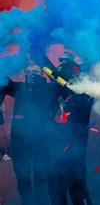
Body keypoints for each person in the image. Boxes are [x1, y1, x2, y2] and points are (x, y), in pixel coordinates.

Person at [0, 63, 55, 205]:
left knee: (41, 177)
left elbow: (58, 80)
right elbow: (3, 81)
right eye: (28, 70)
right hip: (19, 142)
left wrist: (44, 62)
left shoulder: (48, 88)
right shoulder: (19, 87)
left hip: (41, 141)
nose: (31, 73)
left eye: (35, 71)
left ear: (42, 73)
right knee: (22, 178)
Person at [46, 51, 94, 205]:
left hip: (75, 145)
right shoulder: (55, 87)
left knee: (77, 186)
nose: (61, 65)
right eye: (60, 62)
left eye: (66, 62)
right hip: (54, 146)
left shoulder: (83, 87)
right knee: (56, 188)